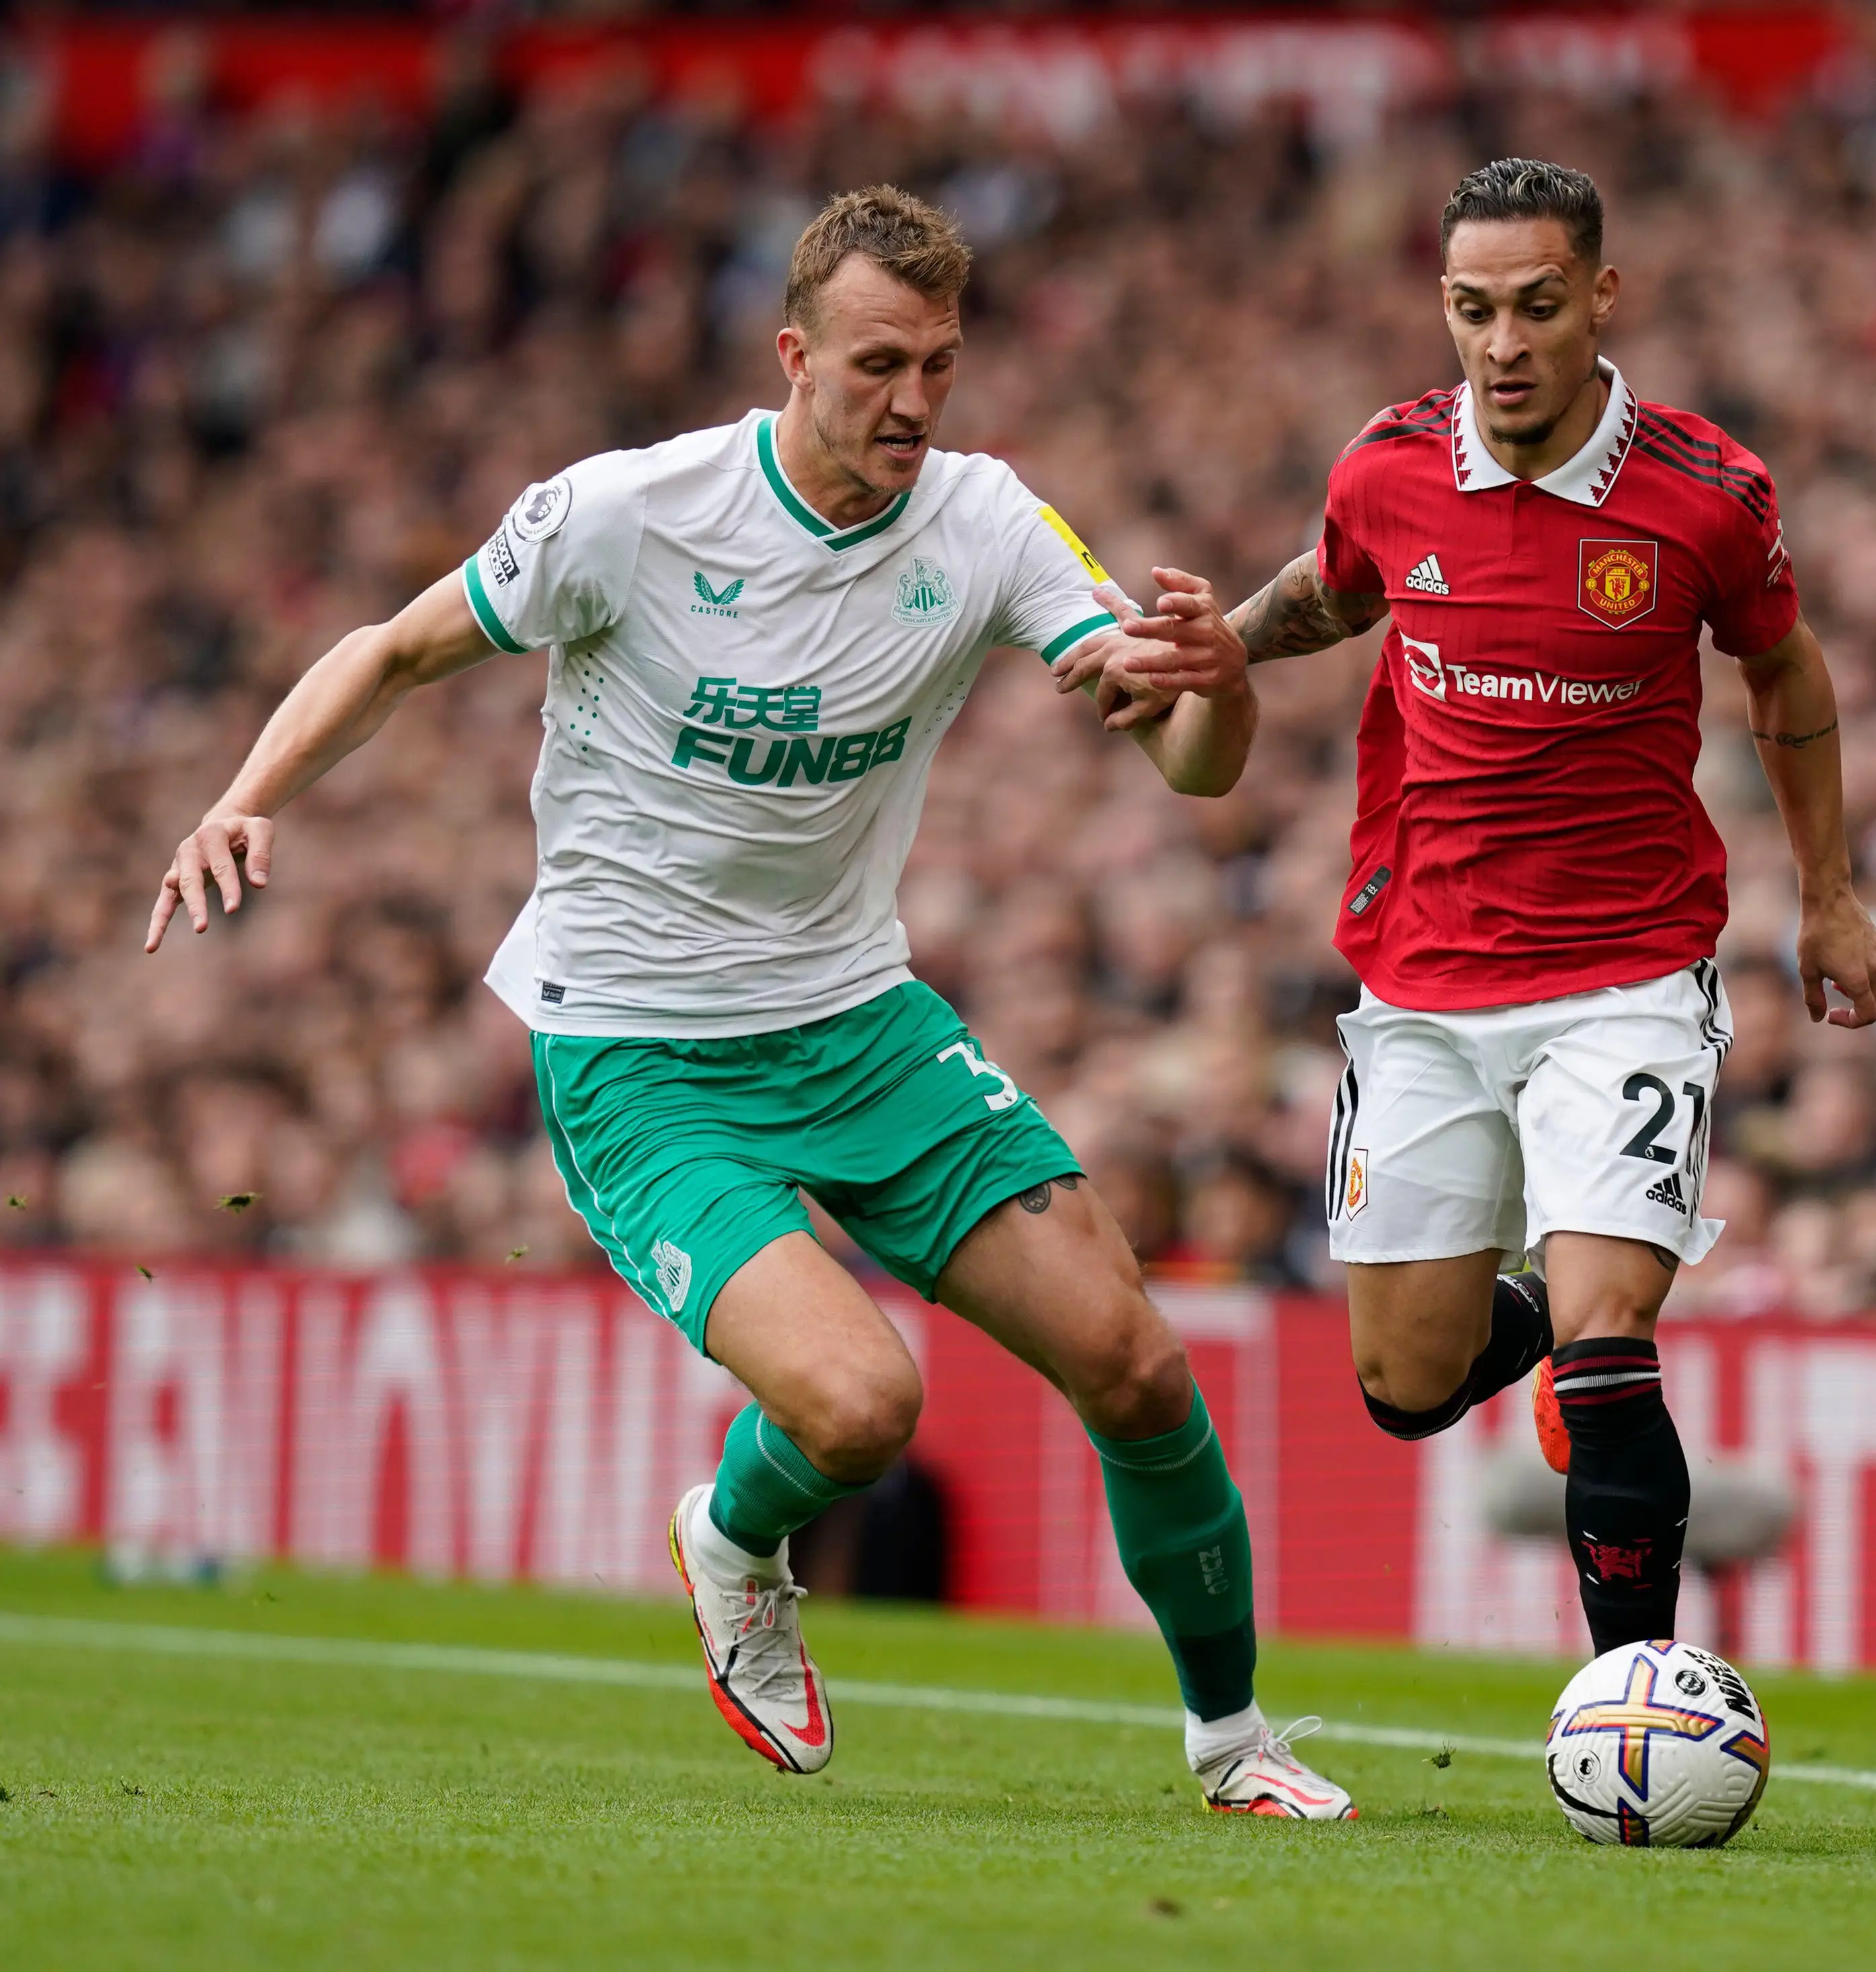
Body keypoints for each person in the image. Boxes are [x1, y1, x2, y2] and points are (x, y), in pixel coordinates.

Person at [143, 187, 1352, 1820]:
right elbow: (392, 650)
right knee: (862, 1406)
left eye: (939, 364)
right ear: (794, 354)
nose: (915, 402)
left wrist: (1216, 694)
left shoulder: (989, 520)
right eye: (877, 365)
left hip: (860, 1018)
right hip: (638, 1050)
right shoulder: (631, 513)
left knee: (1134, 1362)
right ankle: (733, 1537)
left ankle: (1234, 1745)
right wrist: (248, 793)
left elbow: (1191, 769)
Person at [1073, 159, 1876, 1656]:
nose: (1502, 344)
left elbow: (1787, 669)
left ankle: (1633, 1709)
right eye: (1470, 310)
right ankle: (1538, 1315)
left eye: (1534, 306)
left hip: (1628, 977)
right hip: (1427, 982)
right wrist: (1208, 651)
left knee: (1609, 1345)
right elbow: (1333, 589)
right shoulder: (1386, 466)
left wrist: (1827, 895)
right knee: (1403, 1389)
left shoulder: (1705, 493)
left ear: (1600, 297)